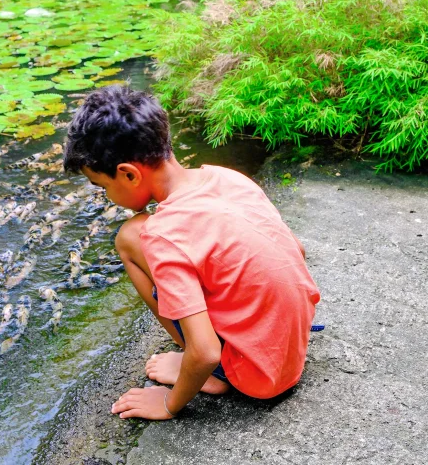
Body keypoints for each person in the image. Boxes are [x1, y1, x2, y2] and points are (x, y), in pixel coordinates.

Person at [63, 85, 321, 421]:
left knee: (129, 238)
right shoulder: (227, 178)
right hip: (291, 343)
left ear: (128, 173)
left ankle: (217, 378)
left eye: (103, 186)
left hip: (259, 378)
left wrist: (169, 403)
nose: (105, 195)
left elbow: (207, 351)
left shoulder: (164, 234)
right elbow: (295, 250)